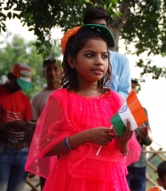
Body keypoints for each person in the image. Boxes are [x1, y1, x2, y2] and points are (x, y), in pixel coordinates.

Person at [25, 24, 141, 191]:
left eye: (104, 56)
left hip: (110, 181)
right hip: (70, 181)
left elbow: (124, 152)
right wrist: (85, 137)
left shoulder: (116, 100)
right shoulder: (60, 98)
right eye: (90, 55)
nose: (99, 62)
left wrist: (122, 142)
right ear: (72, 61)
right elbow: (45, 146)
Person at [0, 63, 33, 191]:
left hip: (23, 152)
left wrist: (31, 154)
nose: (19, 88)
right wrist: (10, 125)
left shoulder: (24, 99)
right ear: (10, 76)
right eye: (17, 83)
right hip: (2, 150)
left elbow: (30, 127)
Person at [83, 6, 131, 100]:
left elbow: (125, 94)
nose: (98, 32)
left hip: (113, 112)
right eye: (93, 29)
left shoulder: (121, 61)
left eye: (102, 28)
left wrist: (102, 102)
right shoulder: (79, 59)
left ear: (108, 29)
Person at [30, 56, 62, 189]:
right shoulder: (37, 98)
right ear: (44, 72)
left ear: (62, 71)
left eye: (56, 68)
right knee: (47, 185)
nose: (52, 72)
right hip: (47, 151)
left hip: (70, 146)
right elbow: (34, 130)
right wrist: (34, 156)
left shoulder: (70, 92)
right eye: (48, 69)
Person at [126, 79, 152, 191]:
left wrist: (144, 136)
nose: (132, 90)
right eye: (130, 86)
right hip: (123, 163)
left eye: (134, 87)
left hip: (139, 163)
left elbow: (149, 140)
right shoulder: (116, 109)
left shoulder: (142, 110)